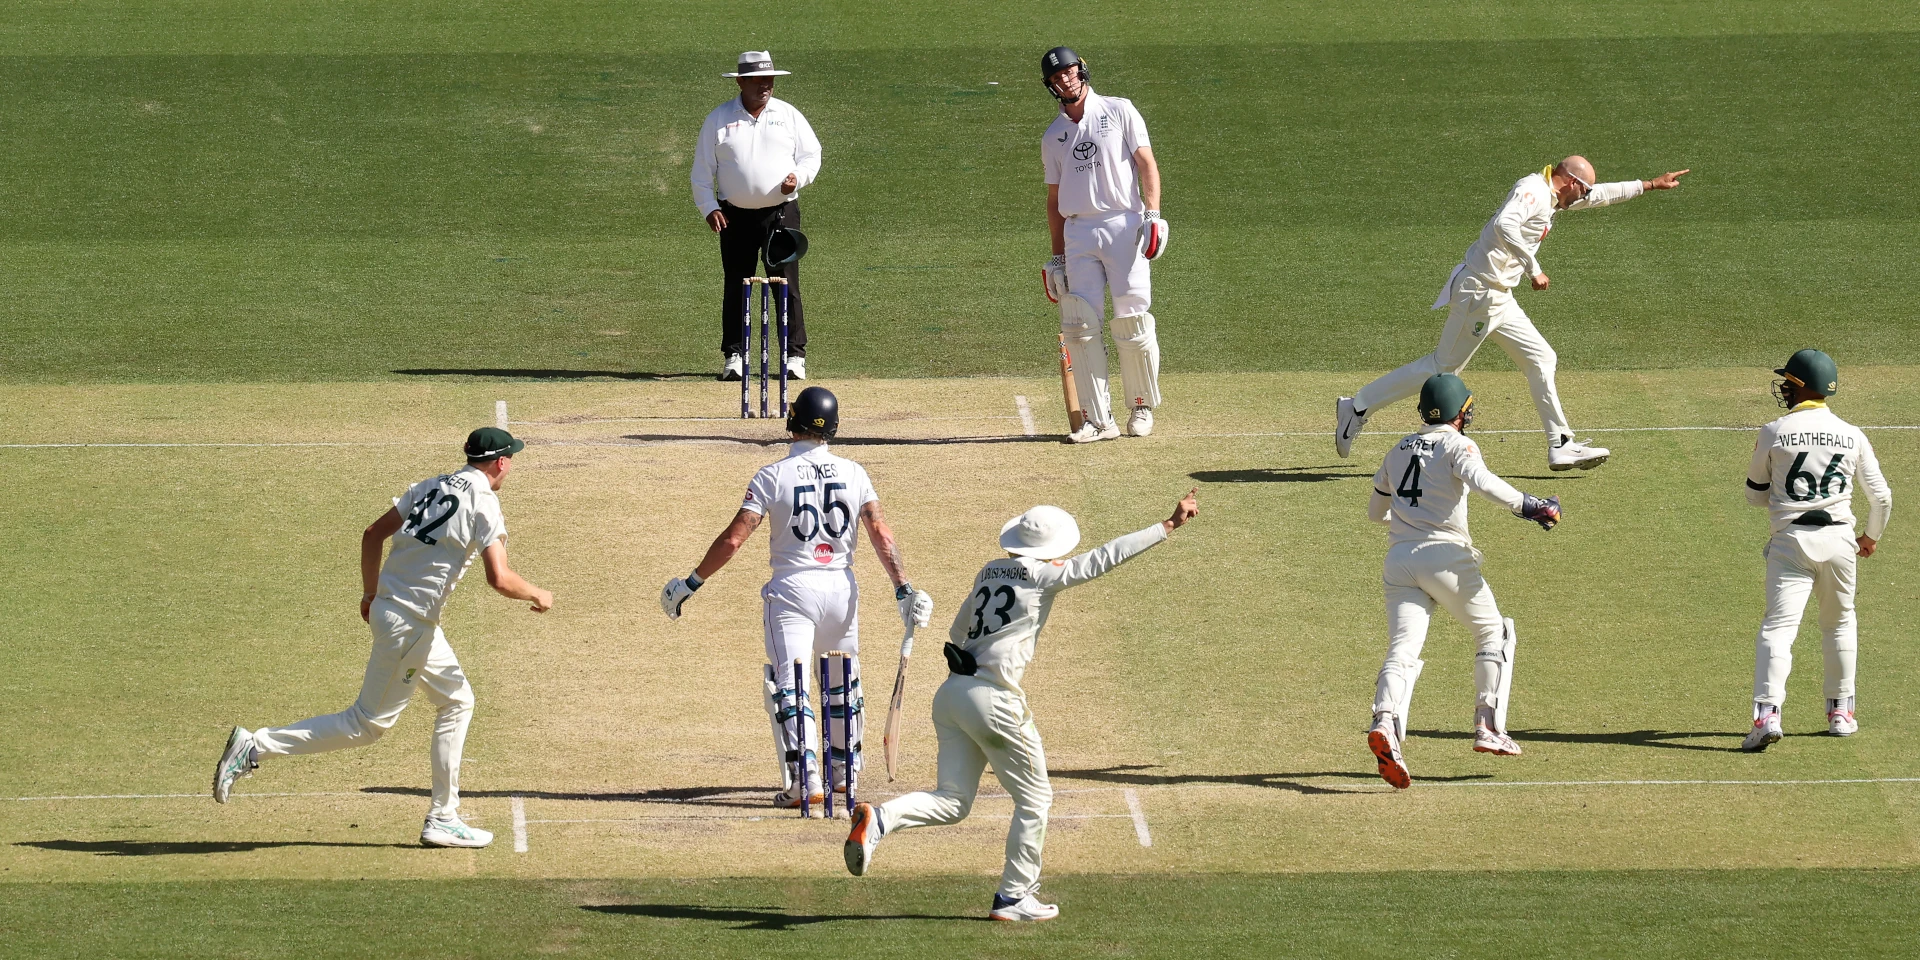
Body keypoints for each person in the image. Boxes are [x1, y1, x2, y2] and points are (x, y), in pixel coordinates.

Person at [841, 490, 1200, 922]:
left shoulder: (988, 571)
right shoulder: (1043, 574)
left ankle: (880, 820)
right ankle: (1013, 896)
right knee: (1035, 799)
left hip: (953, 695)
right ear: (1050, 548)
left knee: (953, 801)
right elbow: (1103, 558)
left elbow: (956, 633)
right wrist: (1167, 525)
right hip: (994, 701)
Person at [212, 428, 554, 848]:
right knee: (365, 725)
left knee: (457, 701)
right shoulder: (484, 502)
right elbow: (499, 578)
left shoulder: (430, 485)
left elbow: (373, 533)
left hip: (397, 614)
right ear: (501, 462)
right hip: (410, 625)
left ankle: (443, 816)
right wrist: (537, 593)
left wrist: (370, 594)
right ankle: (255, 746)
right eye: (511, 459)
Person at [661, 386, 933, 805]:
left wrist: (691, 583)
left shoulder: (772, 476)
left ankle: (805, 782)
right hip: (841, 589)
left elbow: (733, 540)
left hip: (792, 591)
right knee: (843, 682)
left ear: (793, 422)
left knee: (790, 686)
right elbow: (880, 532)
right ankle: (843, 775)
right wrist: (903, 588)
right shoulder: (855, 473)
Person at [1337, 157, 1691, 470]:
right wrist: (1533, 268)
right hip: (1479, 293)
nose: (1584, 197)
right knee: (1442, 370)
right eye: (1582, 191)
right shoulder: (1532, 191)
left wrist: (1649, 184)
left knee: (1541, 358)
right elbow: (1503, 225)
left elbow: (1599, 195)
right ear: (1570, 182)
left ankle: (1561, 444)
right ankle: (1358, 406)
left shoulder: (1554, 196)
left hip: (1500, 297)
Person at [1365, 375, 1561, 790]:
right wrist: (1531, 505)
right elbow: (1483, 482)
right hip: (1445, 557)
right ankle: (1488, 726)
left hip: (1399, 560)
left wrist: (1410, 522)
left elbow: (1375, 512)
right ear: (1460, 412)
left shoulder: (1397, 449)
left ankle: (1384, 720)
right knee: (1494, 632)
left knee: (1403, 648)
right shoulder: (1458, 446)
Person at [1739, 350, 1892, 751]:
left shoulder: (1774, 431)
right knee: (1839, 625)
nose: (1784, 389)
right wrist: (1870, 537)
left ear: (1801, 387)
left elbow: (1754, 496)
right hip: (1840, 542)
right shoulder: (1852, 434)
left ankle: (1767, 716)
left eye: (1789, 382)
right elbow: (1882, 497)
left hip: (1790, 542)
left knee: (1778, 629)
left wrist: (1781, 498)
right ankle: (1841, 714)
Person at [1038, 46, 1169, 443]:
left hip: (1123, 224)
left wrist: (1152, 214)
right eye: (1057, 77)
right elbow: (1053, 201)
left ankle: (1141, 406)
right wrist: (1057, 256)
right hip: (1079, 232)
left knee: (1132, 318)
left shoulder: (1119, 110)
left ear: (1082, 70)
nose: (1066, 79)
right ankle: (1099, 420)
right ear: (1050, 86)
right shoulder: (1053, 136)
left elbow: (1147, 164)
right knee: (1079, 325)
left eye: (1070, 71)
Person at [691, 51, 822, 382]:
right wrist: (709, 207)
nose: (765, 86)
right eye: (757, 81)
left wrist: (797, 177)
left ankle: (794, 356)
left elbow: (812, 155)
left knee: (785, 284)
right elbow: (702, 170)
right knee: (737, 283)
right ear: (740, 82)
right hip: (733, 216)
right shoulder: (719, 118)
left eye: (769, 80)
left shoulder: (788, 115)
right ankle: (735, 355)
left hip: (781, 213)